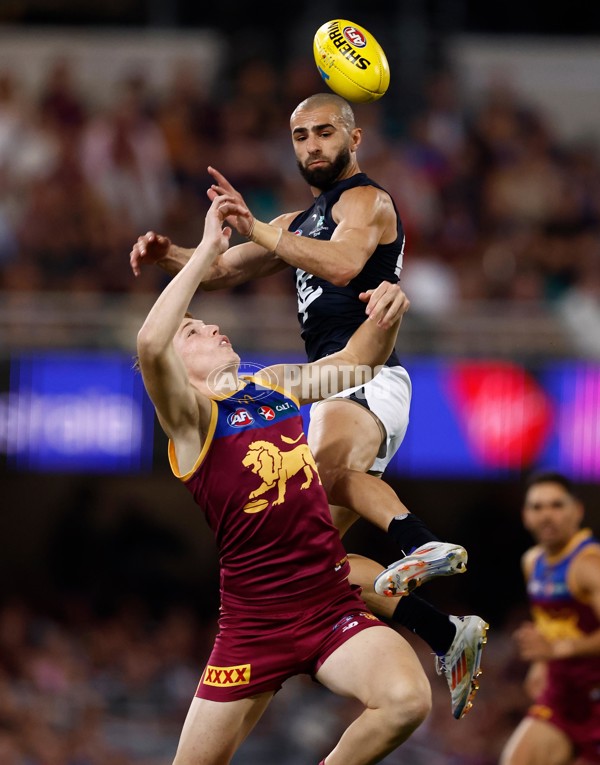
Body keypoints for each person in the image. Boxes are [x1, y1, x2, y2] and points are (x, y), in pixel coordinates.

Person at [130, 91, 488, 719]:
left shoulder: (368, 202)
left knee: (318, 474)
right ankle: (445, 632)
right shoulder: (301, 221)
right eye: (300, 137)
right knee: (317, 561)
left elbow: (346, 265)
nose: (312, 146)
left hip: (361, 370)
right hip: (331, 377)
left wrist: (262, 227)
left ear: (354, 140)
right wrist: (173, 258)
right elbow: (223, 270)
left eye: (325, 132)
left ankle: (420, 544)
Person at [136, 192, 431, 765]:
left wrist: (386, 316)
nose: (213, 327)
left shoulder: (271, 385)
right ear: (179, 368)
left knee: (406, 701)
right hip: (255, 623)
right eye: (193, 332)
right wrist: (207, 251)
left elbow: (356, 362)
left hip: (326, 603)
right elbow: (150, 344)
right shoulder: (192, 421)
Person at [500, 471, 600, 765]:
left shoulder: (589, 564)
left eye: (557, 505)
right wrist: (542, 662)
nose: (547, 515)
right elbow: (549, 619)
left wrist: (557, 650)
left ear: (577, 510)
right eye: (537, 507)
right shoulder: (533, 562)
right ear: (525, 516)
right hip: (562, 695)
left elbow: (560, 641)